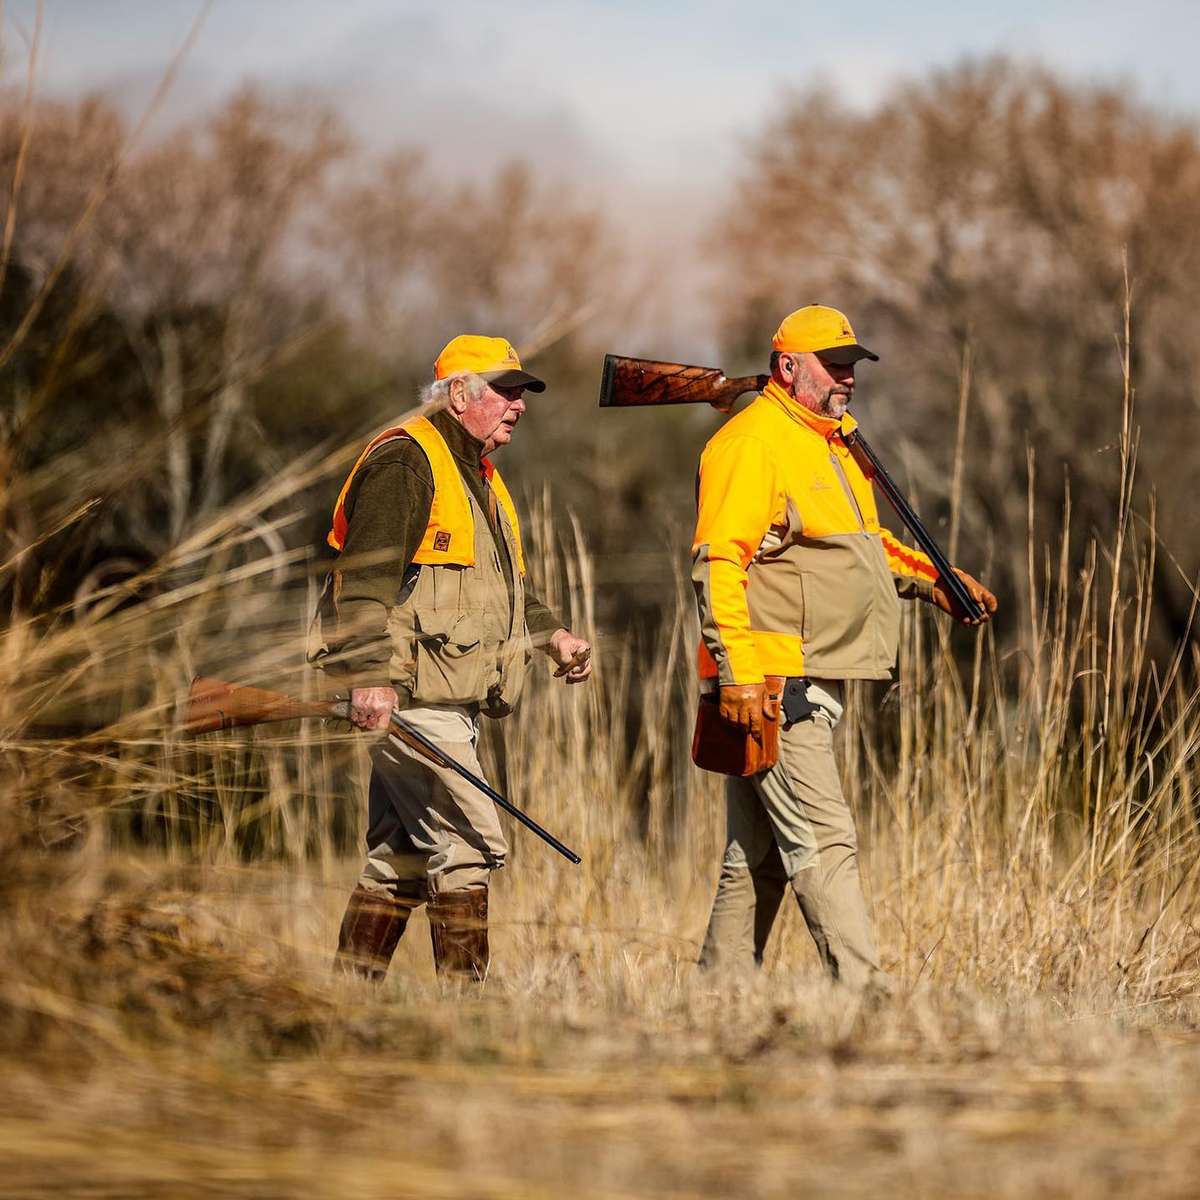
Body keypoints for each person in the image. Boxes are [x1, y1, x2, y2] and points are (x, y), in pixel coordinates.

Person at [691, 304, 997, 990]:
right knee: (826, 842)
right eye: (833, 366)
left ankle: (718, 995)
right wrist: (738, 675)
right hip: (771, 682)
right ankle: (868, 993)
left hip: (799, 676)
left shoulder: (830, 444)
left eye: (853, 366)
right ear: (786, 367)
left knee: (758, 857)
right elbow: (717, 564)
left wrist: (934, 581)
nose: (847, 379)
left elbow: (862, 549)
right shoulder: (753, 443)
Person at [315, 334, 592, 983]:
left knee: (402, 857)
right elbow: (362, 582)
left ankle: (346, 1002)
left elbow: (508, 590)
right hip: (412, 699)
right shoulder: (408, 461)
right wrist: (370, 678)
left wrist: (553, 636)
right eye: (506, 391)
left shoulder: (478, 478)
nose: (518, 406)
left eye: (522, 393)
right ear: (460, 393)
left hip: (446, 700)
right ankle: (464, 1018)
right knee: (467, 845)